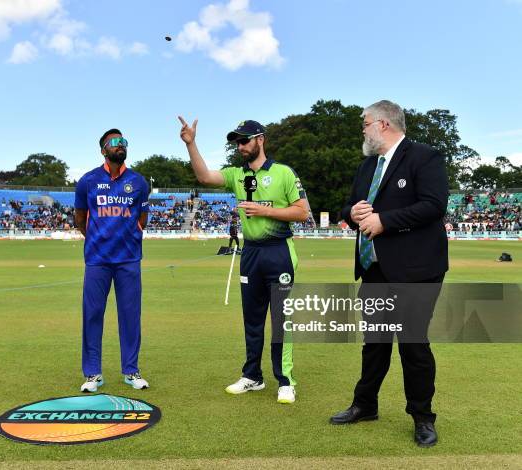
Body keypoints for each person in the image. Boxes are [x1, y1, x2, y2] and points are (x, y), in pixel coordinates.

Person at [334, 100, 449, 447]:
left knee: (413, 345)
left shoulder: (424, 157)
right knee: (375, 344)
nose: (363, 130)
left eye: (365, 123)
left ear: (384, 124)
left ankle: (422, 417)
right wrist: (351, 211)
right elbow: (352, 208)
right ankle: (365, 405)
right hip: (375, 269)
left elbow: (433, 205)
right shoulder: (368, 166)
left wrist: (384, 221)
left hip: (416, 270)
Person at [179, 117, 309, 404]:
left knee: (281, 320)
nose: (240, 146)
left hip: (279, 252)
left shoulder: (284, 173)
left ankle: (285, 380)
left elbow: (302, 212)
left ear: (260, 139)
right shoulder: (236, 174)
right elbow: (204, 177)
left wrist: (265, 211)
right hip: (250, 253)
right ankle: (252, 376)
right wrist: (191, 144)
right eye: (237, 142)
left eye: (245, 140)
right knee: (252, 320)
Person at [74, 128, 151, 393]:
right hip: (97, 259)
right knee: (92, 315)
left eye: (124, 142)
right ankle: (93, 374)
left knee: (130, 316)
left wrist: (128, 236)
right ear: (103, 149)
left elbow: (142, 219)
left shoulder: (139, 182)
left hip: (129, 259)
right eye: (115, 142)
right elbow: (80, 219)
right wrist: (97, 237)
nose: (121, 145)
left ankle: (131, 371)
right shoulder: (88, 181)